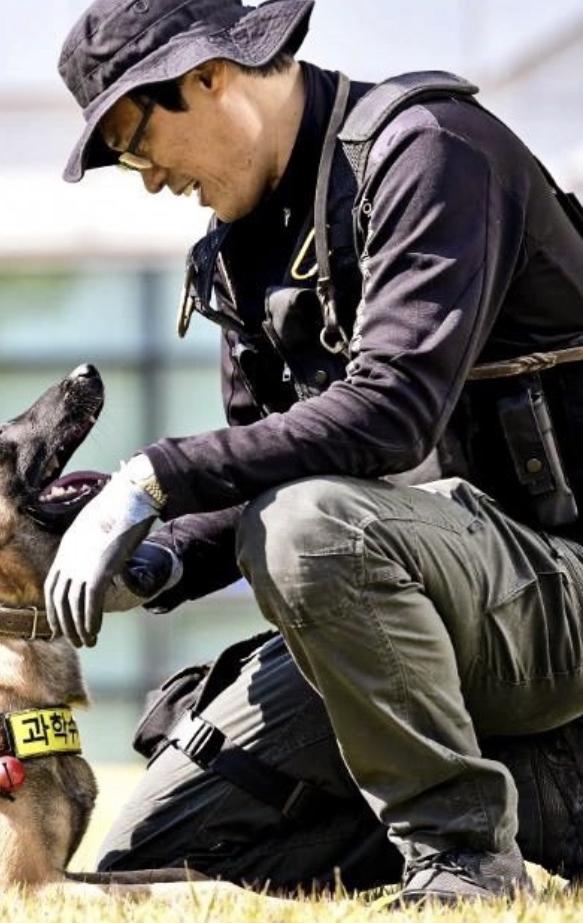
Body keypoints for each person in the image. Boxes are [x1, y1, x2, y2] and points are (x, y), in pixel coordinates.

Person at [45, 0, 583, 906]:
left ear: (208, 76)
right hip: (437, 615)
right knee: (153, 854)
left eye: (136, 143)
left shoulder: (432, 151)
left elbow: (390, 414)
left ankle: (462, 857)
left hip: (562, 595)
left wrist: (153, 476)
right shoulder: (236, 254)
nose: (145, 181)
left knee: (307, 528)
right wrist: (158, 557)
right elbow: (265, 473)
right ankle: (535, 789)